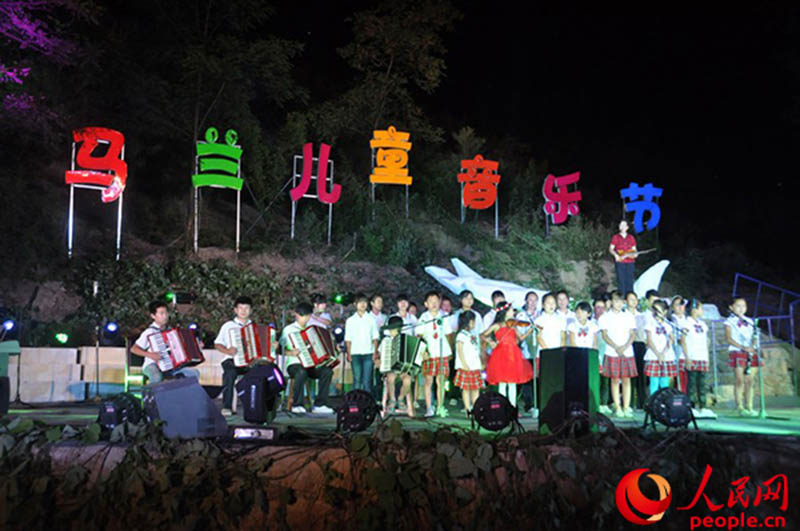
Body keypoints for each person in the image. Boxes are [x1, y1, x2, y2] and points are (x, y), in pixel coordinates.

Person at [280, 302, 335, 414]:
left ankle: (320, 404)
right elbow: (279, 349)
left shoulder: (313, 330)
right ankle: (297, 404)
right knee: (301, 372)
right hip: (294, 364)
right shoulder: (288, 329)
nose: (304, 319)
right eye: (302, 316)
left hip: (311, 364)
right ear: (296, 315)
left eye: (307, 316)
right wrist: (290, 352)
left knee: (327, 371)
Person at [131, 300, 201, 385]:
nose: (165, 316)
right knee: (156, 376)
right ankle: (152, 393)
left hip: (171, 366)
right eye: (161, 313)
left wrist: (196, 346)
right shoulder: (149, 332)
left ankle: (182, 393)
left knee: (194, 373)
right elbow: (134, 349)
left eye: (166, 313)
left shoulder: (171, 331)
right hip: (152, 365)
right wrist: (150, 355)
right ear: (153, 316)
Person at [482, 302, 534, 409]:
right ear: (505, 312)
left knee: (512, 382)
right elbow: (482, 335)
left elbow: (521, 338)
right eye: (511, 310)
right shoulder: (497, 325)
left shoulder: (513, 324)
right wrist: (490, 341)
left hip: (513, 355)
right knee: (502, 383)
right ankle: (502, 407)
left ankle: (512, 407)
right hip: (501, 355)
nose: (513, 311)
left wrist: (530, 331)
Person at [213, 296, 258, 416]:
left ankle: (256, 406)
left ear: (251, 310)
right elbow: (217, 344)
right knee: (230, 373)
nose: (243, 311)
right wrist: (227, 351)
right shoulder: (228, 326)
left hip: (249, 362)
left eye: (246, 308)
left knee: (260, 372)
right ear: (235, 310)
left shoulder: (254, 327)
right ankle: (227, 406)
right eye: (240, 308)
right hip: (231, 359)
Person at [598, 291, 637, 418]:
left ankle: (626, 407)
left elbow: (632, 334)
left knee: (626, 379)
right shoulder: (604, 317)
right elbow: (605, 335)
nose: (618, 304)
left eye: (621, 301)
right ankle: (618, 406)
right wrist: (616, 347)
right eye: (616, 301)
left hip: (627, 352)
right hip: (612, 352)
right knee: (614, 380)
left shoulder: (629, 316)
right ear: (610, 302)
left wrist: (625, 347)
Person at [416, 291, 453, 417]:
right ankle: (429, 407)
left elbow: (449, 334)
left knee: (441, 381)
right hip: (429, 353)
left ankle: (440, 406)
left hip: (442, 352)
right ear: (426, 304)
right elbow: (419, 335)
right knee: (428, 381)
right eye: (431, 301)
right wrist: (424, 351)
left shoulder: (444, 316)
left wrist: (450, 351)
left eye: (436, 301)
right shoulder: (423, 317)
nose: (434, 304)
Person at [724, 297, 761, 416]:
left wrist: (753, 346)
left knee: (750, 380)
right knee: (740, 380)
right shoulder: (729, 321)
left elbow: (754, 336)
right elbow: (728, 338)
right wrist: (743, 347)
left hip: (750, 352)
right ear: (731, 307)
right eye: (738, 306)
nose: (741, 308)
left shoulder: (749, 321)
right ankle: (739, 407)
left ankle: (749, 406)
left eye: (743, 306)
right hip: (737, 351)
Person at [681, 299, 715, 418]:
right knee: (691, 384)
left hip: (702, 357)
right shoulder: (686, 323)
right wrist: (687, 357)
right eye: (701, 308)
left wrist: (707, 358)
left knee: (702, 384)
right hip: (692, 357)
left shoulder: (703, 324)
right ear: (694, 310)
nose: (702, 310)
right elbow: (683, 340)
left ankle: (703, 407)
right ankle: (691, 407)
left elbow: (705, 342)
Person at [378, 316, 416, 417]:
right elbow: (380, 353)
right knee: (391, 377)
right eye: (391, 329)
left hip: (403, 370)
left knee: (408, 379)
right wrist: (381, 361)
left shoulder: (405, 339)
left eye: (394, 329)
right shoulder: (386, 341)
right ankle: (392, 400)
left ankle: (400, 398)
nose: (392, 332)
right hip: (390, 369)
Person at [345, 293, 380, 394]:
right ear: (355, 304)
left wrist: (375, 352)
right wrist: (348, 353)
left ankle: (367, 401)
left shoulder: (371, 319)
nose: (363, 304)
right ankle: (356, 400)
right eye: (360, 302)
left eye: (364, 302)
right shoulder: (350, 320)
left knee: (367, 380)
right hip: (355, 353)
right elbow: (348, 339)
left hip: (368, 352)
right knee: (357, 379)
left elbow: (375, 337)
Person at [644, 300, 676, 397]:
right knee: (654, 382)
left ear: (665, 311)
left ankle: (664, 400)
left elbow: (671, 339)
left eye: (658, 310)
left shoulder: (668, 324)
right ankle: (653, 401)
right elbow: (649, 340)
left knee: (664, 383)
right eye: (654, 310)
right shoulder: (650, 324)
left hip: (666, 356)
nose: (656, 312)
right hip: (653, 356)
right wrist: (658, 354)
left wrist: (663, 353)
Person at [454, 312, 484, 415]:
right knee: (466, 389)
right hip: (466, 366)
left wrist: (480, 362)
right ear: (469, 322)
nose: (474, 323)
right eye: (473, 321)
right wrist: (464, 364)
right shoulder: (461, 335)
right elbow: (459, 350)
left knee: (476, 389)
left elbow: (476, 350)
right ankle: (467, 409)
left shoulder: (472, 334)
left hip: (475, 365)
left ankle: (475, 408)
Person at [516, 291, 539, 412]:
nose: (533, 303)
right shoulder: (521, 316)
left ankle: (538, 403)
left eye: (535, 300)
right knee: (527, 379)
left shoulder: (540, 314)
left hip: (538, 351)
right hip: (526, 351)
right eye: (530, 300)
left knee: (538, 378)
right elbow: (519, 334)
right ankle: (529, 404)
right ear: (526, 301)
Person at [625, 291, 649, 410]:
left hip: (640, 345)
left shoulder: (642, 316)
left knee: (640, 374)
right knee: (629, 374)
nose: (633, 302)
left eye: (635, 299)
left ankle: (642, 402)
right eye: (631, 299)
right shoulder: (623, 315)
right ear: (626, 301)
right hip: (628, 345)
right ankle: (629, 403)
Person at [609, 220, 637, 295]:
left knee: (630, 280)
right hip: (620, 262)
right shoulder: (615, 237)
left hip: (630, 262)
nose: (622, 227)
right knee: (621, 280)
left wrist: (635, 254)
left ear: (627, 227)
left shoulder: (631, 237)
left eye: (624, 225)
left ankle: (630, 297)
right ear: (619, 227)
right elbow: (611, 249)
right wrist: (616, 255)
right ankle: (622, 297)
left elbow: (634, 250)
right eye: (621, 225)